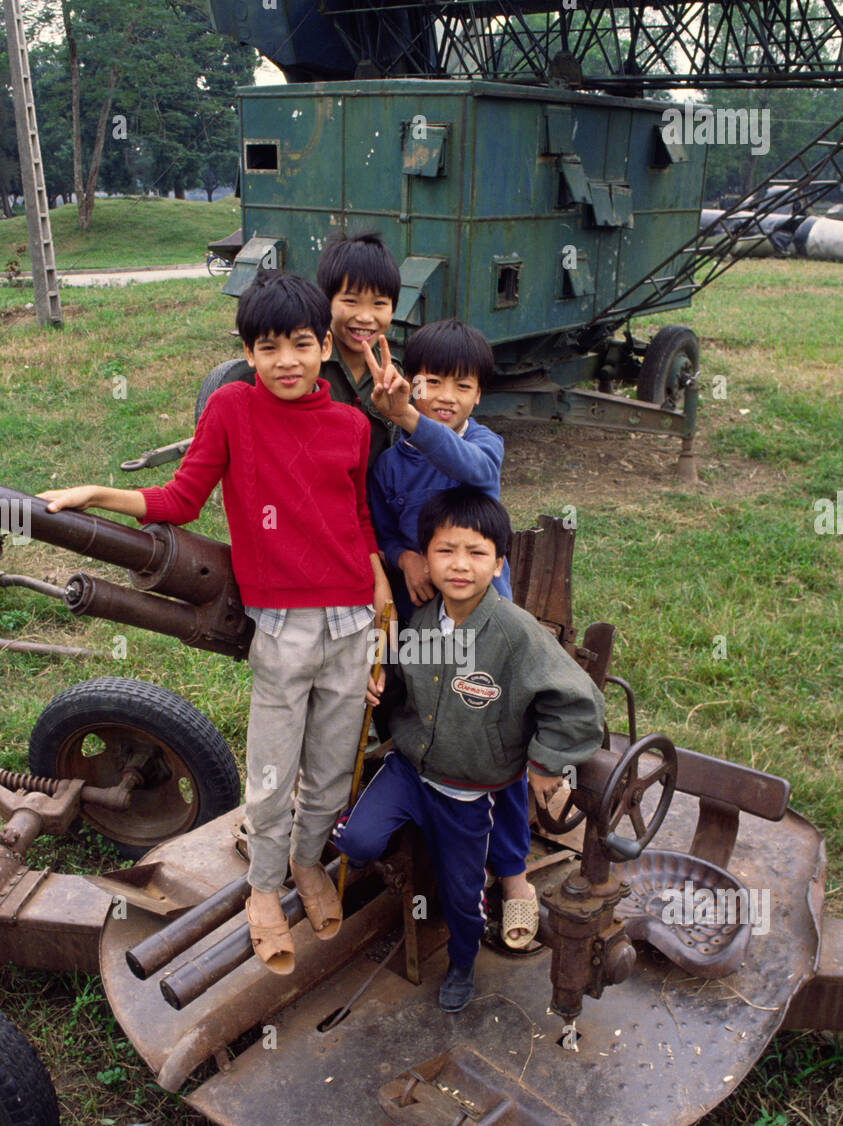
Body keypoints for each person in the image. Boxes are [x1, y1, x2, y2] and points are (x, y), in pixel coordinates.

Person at [38, 270, 392, 977]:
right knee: (269, 770)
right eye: (268, 347)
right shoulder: (233, 409)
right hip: (284, 628)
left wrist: (379, 607)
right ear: (248, 353)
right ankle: (263, 885)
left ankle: (305, 861)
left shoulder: (353, 426)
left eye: (300, 343)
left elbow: (357, 519)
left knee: (327, 773)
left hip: (353, 620)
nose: (286, 361)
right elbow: (180, 497)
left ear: (325, 345)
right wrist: (96, 493)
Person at [332, 487, 605, 1012]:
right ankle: (374, 838)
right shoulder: (419, 622)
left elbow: (579, 704)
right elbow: (404, 682)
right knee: (359, 843)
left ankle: (461, 962)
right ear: (424, 559)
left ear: (498, 562)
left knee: (462, 897)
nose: (460, 565)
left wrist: (547, 765)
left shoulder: (514, 634)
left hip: (466, 791)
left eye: (476, 553)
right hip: (410, 768)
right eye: (445, 551)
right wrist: (382, 683)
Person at [362, 320, 536, 949]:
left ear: (479, 397)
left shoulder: (484, 447)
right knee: (413, 716)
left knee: (496, 734)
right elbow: (378, 528)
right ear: (413, 376)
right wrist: (404, 557)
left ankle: (513, 877)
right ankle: (418, 819)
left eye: (461, 386)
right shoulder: (388, 464)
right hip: (419, 616)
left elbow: (459, 461)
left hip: (484, 620)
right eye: (431, 381)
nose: (444, 396)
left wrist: (407, 415)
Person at [316, 230, 403, 470]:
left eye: (379, 304)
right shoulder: (309, 366)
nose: (365, 317)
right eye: (351, 301)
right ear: (327, 302)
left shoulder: (396, 374)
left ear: (393, 310)